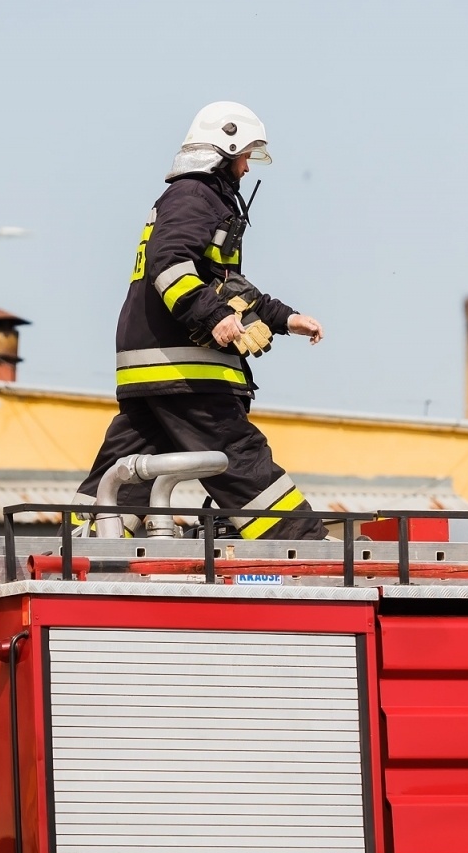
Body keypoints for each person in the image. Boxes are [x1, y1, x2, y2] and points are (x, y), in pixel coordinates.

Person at [76, 101, 330, 541]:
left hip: (153, 368)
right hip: (185, 368)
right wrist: (213, 316)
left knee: (125, 472)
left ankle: (76, 547)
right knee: (236, 454)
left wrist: (286, 319)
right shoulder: (195, 195)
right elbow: (170, 263)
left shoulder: (197, 197)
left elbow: (226, 285)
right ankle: (300, 544)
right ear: (223, 151)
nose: (247, 168)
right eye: (245, 156)